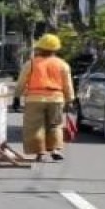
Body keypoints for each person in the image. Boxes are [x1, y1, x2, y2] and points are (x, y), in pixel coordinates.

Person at [16, 34, 76, 162]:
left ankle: (40, 152)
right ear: (56, 49)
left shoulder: (31, 63)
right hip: (56, 98)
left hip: (34, 99)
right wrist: (70, 100)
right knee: (55, 125)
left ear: (40, 48)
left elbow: (21, 82)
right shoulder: (63, 65)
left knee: (35, 126)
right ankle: (55, 150)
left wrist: (16, 97)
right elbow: (67, 84)